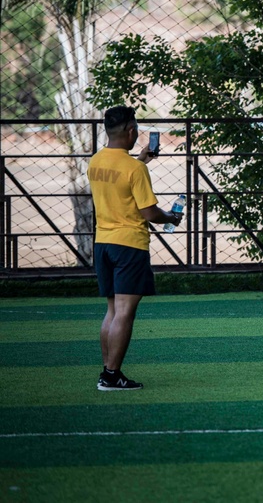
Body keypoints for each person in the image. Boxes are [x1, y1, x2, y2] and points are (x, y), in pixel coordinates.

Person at [87, 106, 184, 391]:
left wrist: (141, 159)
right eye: (137, 129)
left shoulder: (96, 161)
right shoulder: (135, 169)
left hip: (103, 243)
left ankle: (108, 371)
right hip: (129, 245)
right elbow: (150, 214)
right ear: (131, 131)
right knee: (125, 312)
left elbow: (117, 180)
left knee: (112, 310)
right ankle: (111, 375)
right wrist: (171, 217)